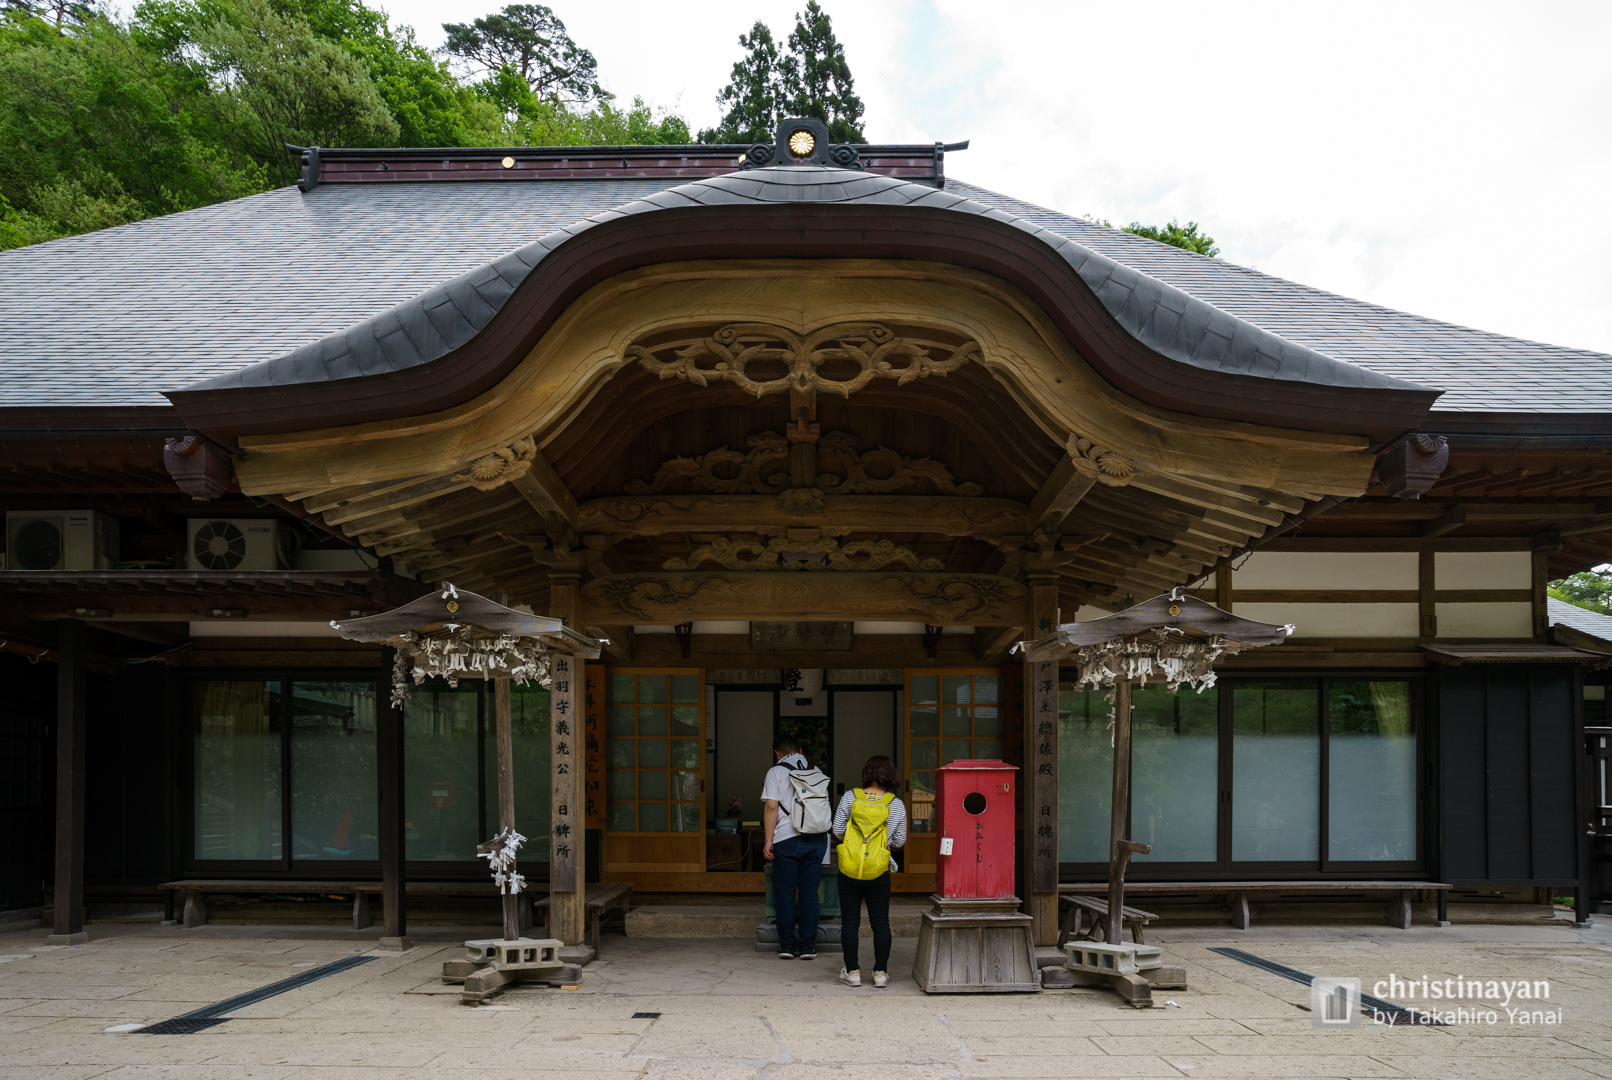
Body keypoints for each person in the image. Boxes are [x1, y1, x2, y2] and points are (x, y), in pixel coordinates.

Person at [832, 755, 907, 988]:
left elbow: (836, 830)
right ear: (891, 776)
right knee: (880, 923)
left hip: (849, 870)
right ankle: (880, 974)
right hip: (879, 870)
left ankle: (852, 972)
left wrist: (856, 846)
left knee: (850, 923)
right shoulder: (895, 804)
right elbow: (900, 840)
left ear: (866, 774)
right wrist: (878, 846)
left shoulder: (850, 797)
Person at [762, 736, 829, 960]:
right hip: (817, 837)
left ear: (777, 753)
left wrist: (768, 839)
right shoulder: (816, 769)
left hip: (787, 838)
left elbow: (772, 807)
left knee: (785, 894)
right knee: (810, 894)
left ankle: (787, 946)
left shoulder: (775, 772)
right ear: (800, 750)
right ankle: (809, 946)